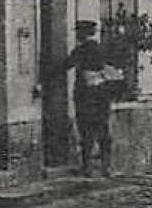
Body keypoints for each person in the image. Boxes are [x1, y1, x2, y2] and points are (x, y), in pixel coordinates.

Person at [45, 19, 116, 176]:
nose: (77, 35)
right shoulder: (101, 48)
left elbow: (66, 65)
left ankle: (87, 167)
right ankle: (106, 167)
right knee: (103, 130)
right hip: (102, 95)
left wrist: (46, 76)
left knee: (86, 131)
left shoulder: (82, 50)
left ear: (83, 33)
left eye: (78, 32)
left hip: (86, 96)